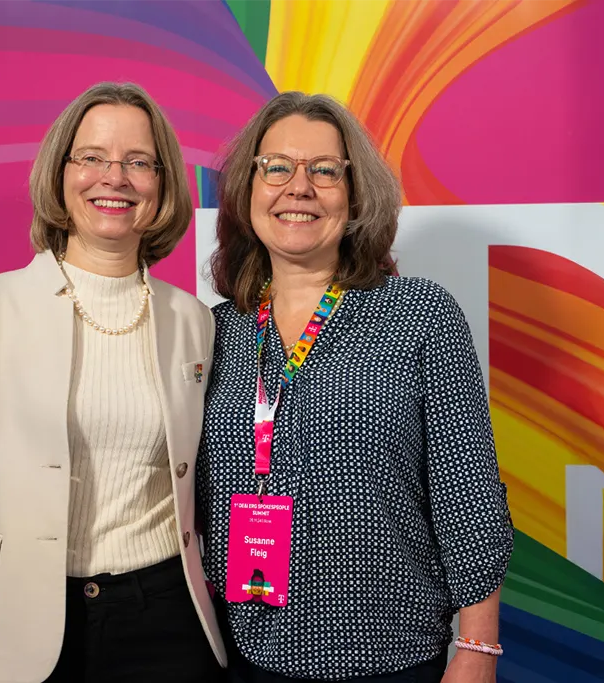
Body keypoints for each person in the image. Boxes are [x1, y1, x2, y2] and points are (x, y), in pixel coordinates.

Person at [0, 82, 225, 683]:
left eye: (139, 161)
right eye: (93, 158)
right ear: (61, 173)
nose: (116, 176)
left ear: (162, 184)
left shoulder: (194, 321)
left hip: (167, 622)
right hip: (21, 628)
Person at [195, 91, 515, 683]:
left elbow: (467, 493)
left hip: (389, 656)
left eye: (324, 170)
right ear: (247, 189)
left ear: (355, 193)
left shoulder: (420, 315)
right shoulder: (214, 331)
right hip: (244, 652)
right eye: (277, 168)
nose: (299, 187)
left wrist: (477, 648)